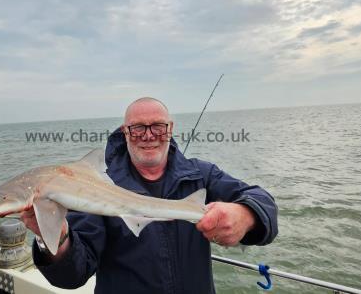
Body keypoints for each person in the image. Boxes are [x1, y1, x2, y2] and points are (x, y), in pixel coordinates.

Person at [21, 97, 278, 294]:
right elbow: (72, 275)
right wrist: (53, 235)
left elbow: (262, 201)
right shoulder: (98, 187)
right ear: (125, 132)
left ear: (171, 128)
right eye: (138, 128)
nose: (148, 135)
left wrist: (246, 215)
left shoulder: (201, 174)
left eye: (158, 127)